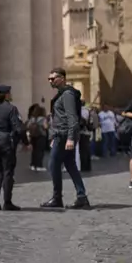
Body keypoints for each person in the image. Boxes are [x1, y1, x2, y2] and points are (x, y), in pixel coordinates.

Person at [41, 68, 90, 208]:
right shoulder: (61, 94)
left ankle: (57, 198)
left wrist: (70, 138)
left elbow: (72, 118)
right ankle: (82, 197)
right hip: (60, 134)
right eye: (49, 79)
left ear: (62, 78)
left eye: (53, 78)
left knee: (53, 165)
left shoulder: (67, 94)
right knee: (70, 165)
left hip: (63, 134)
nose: (50, 81)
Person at [0, 85, 29, 210]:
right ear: (7, 95)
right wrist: (25, 142)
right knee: (8, 172)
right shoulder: (11, 109)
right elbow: (18, 128)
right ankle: (7, 201)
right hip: (7, 142)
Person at [27, 105, 48, 171]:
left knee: (34, 151)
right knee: (40, 151)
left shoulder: (32, 118)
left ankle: (33, 165)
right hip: (41, 136)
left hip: (33, 136)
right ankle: (39, 166)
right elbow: (45, 127)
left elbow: (28, 126)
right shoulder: (43, 119)